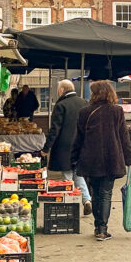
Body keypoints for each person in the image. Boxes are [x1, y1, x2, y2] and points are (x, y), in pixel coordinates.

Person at [70, 80, 131, 241]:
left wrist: (74, 158)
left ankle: (98, 226)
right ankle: (101, 229)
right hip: (111, 159)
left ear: (96, 94)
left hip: (90, 158)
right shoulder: (117, 111)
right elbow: (123, 136)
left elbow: (79, 138)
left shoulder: (85, 112)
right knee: (105, 194)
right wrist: (128, 158)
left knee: (95, 193)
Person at [42, 80, 92, 216]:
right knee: (78, 175)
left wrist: (46, 148)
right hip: (81, 145)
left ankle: (70, 204)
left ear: (62, 90)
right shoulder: (84, 103)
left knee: (67, 177)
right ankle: (86, 200)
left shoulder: (61, 105)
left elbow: (55, 129)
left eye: (59, 90)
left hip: (65, 147)